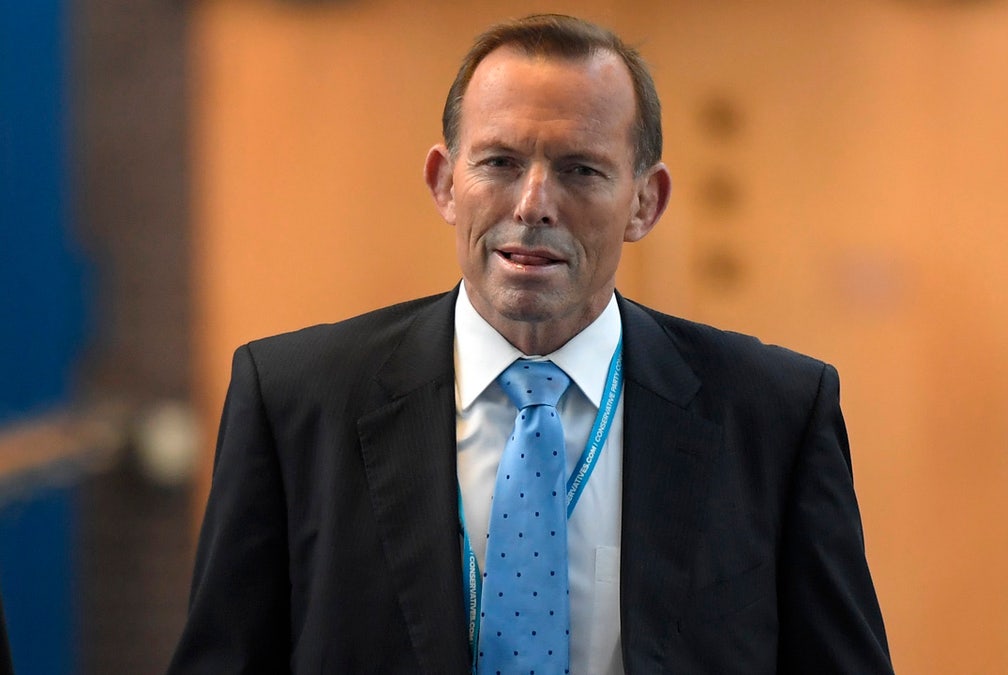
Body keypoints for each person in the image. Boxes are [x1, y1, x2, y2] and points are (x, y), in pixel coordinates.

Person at [168, 13, 892, 674]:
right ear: (445, 182)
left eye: (580, 168)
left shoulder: (774, 416)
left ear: (646, 201)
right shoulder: (297, 402)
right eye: (500, 163)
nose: (533, 203)